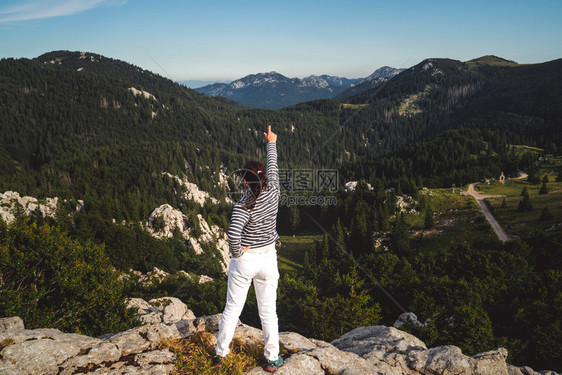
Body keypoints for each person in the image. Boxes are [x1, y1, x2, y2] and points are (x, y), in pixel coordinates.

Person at [213, 125, 283, 372]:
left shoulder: (244, 204)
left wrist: (237, 253)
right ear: (263, 177)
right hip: (268, 259)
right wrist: (271, 143)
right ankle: (272, 359)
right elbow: (273, 168)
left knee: (232, 308)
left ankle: (221, 354)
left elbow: (233, 234)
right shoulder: (274, 191)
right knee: (268, 313)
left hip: (246, 260)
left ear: (245, 180)